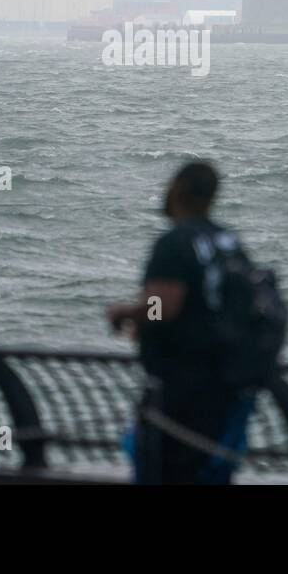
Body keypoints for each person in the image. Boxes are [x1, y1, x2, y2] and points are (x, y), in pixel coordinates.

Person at [106, 162, 261, 484]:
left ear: (177, 189)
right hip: (226, 388)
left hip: (180, 391)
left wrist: (125, 314)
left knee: (164, 472)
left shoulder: (175, 242)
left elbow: (161, 309)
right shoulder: (229, 242)